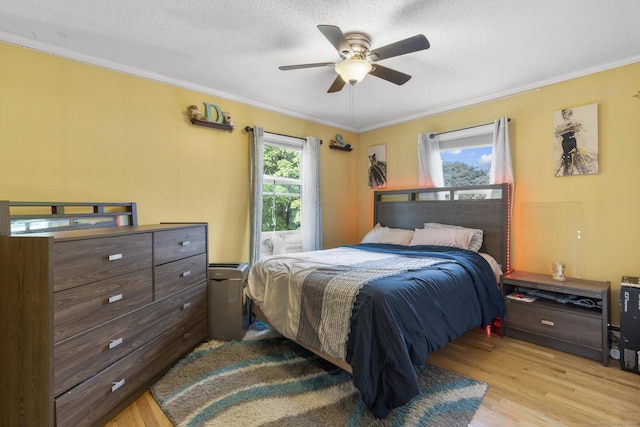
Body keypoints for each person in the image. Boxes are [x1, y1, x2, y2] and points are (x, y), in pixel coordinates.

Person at [554, 108, 597, 175]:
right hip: (565, 143)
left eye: (569, 114)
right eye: (565, 114)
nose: (567, 115)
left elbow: (580, 129)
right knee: (566, 159)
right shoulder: (560, 127)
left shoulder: (574, 124)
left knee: (575, 158)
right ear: (563, 115)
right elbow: (556, 135)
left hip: (572, 142)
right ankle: (568, 171)